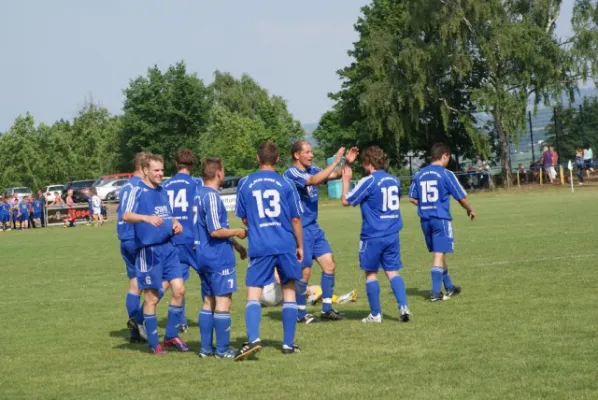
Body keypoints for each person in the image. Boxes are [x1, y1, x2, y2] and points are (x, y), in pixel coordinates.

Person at [233, 141, 304, 361]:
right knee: (289, 289)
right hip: (284, 244)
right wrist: (300, 245)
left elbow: (244, 217)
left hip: (260, 245)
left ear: (257, 158)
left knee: (253, 291)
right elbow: (295, 218)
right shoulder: (286, 183)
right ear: (277, 159)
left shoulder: (245, 183)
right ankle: (287, 344)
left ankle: (254, 339)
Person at [283, 142, 358, 323]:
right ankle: (300, 313)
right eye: (307, 152)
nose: (311, 155)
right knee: (305, 272)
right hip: (300, 229)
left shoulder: (313, 168)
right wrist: (335, 161)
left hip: (314, 227)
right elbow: (313, 181)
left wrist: (346, 163)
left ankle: (326, 309)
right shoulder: (291, 173)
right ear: (296, 155)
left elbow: (334, 174)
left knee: (329, 265)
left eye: (311, 152)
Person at [123, 153, 188, 354]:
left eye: (162, 170)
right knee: (151, 298)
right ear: (145, 170)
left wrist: (176, 224)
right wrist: (146, 218)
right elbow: (126, 215)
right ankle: (154, 343)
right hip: (149, 251)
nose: (160, 174)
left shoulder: (163, 191)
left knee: (179, 290)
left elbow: (168, 215)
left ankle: (170, 336)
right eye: (156, 170)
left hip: (168, 248)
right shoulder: (137, 190)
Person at [339, 146, 410, 323]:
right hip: (392, 233)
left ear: (368, 162)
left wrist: (346, 180)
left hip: (373, 235)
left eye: (363, 163)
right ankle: (403, 307)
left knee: (371, 273)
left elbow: (346, 201)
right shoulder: (394, 180)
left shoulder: (369, 181)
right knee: (393, 272)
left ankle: (376, 314)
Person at [195, 157, 248, 359]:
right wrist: (238, 232)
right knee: (223, 302)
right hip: (217, 257)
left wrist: (236, 246)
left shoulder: (198, 195)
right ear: (218, 173)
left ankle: (206, 349)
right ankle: (223, 350)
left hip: (202, 255)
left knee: (208, 302)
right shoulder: (211, 196)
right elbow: (216, 231)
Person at [408, 143, 475, 301]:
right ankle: (436, 293)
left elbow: (412, 197)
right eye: (448, 158)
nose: (448, 161)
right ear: (444, 155)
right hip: (441, 219)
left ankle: (449, 286)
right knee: (439, 254)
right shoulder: (446, 174)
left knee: (439, 252)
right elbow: (460, 197)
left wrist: (425, 204)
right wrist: (470, 209)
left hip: (425, 220)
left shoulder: (419, 174)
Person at [161, 149, 201, 333]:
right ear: (192, 165)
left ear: (176, 164)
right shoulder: (196, 183)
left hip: (174, 240)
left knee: (177, 282)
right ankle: (212, 313)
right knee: (208, 276)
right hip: (193, 239)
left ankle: (180, 321)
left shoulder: (165, 185)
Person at [118, 153, 148, 343]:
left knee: (135, 284)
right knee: (163, 280)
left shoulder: (125, 186)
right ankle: (138, 320)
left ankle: (135, 333)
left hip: (124, 237)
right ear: (144, 168)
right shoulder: (141, 187)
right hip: (137, 238)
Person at [260, 269, 358, 307]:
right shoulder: (280, 252)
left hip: (262, 297)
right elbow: (278, 279)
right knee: (313, 289)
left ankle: (310, 298)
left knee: (306, 290)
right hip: (271, 294)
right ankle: (337, 300)